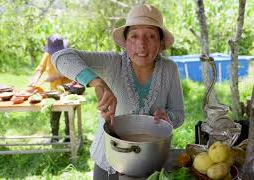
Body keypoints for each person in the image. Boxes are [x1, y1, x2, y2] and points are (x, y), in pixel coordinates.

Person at [52, 4, 185, 179]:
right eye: (134, 36)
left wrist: (169, 118)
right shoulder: (112, 63)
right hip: (110, 161)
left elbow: (179, 113)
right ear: (126, 41)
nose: (142, 44)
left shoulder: (169, 69)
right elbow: (61, 57)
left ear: (160, 43)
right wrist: (96, 82)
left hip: (153, 162)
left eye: (151, 36)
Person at [30, 35, 71, 142]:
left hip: (68, 90)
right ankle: (55, 137)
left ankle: (69, 138)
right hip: (54, 91)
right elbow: (40, 68)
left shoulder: (67, 55)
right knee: (54, 114)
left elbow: (69, 71)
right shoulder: (47, 54)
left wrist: (55, 77)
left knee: (68, 116)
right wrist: (34, 80)